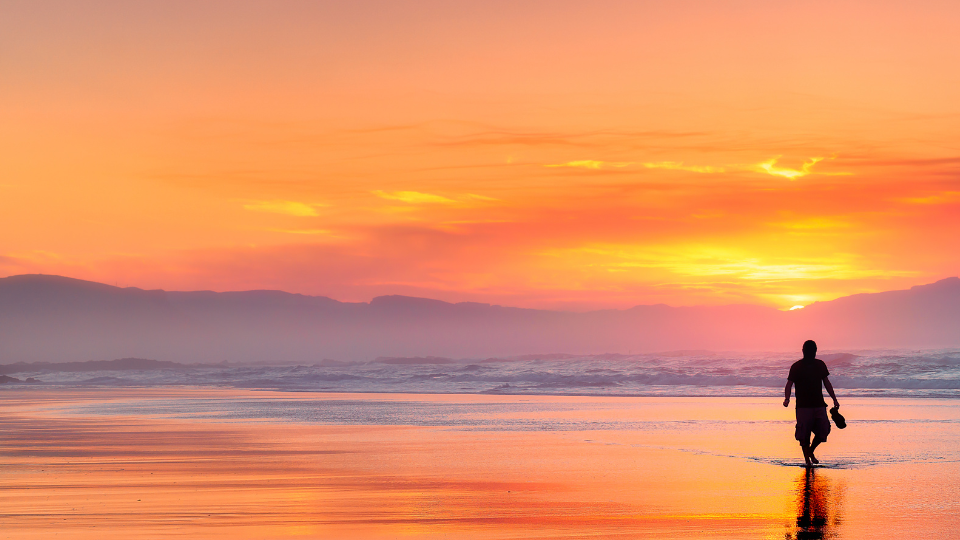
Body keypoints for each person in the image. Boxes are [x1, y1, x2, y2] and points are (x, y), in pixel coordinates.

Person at [783, 340, 839, 466]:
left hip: (819, 404)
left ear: (815, 352)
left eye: (813, 351)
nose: (811, 353)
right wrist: (787, 398)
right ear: (803, 351)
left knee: (824, 430)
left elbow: (827, 383)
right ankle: (807, 461)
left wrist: (834, 399)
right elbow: (789, 384)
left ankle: (810, 451)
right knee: (804, 434)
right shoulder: (796, 366)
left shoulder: (820, 365)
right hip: (803, 406)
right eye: (809, 351)